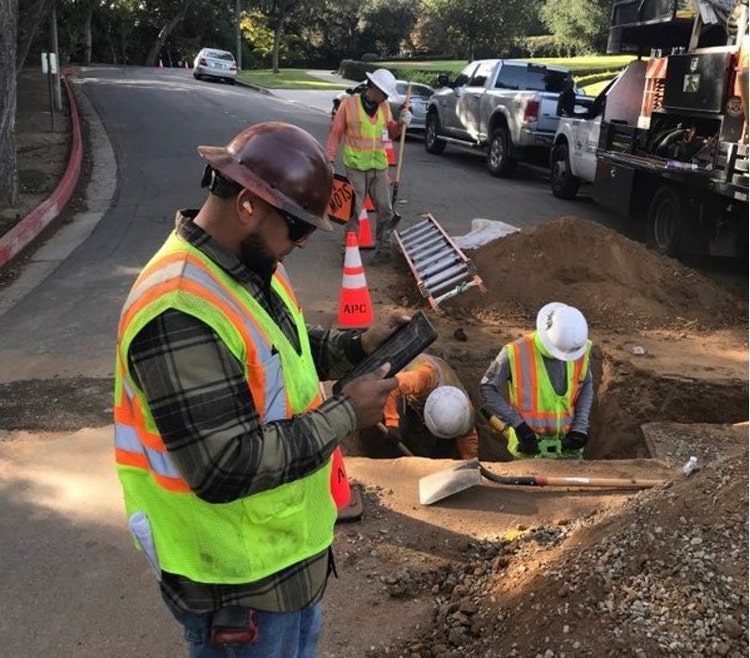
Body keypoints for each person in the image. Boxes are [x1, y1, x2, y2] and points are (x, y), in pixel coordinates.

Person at [113, 121, 410, 658]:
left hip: (288, 561)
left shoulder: (252, 263)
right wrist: (346, 414)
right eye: (296, 229)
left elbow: (285, 352)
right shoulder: (178, 310)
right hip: (237, 587)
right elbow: (223, 466)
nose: (299, 244)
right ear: (249, 205)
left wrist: (359, 344)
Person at [479, 302, 594, 459]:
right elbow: (487, 388)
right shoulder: (515, 352)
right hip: (529, 448)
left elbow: (586, 384)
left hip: (568, 448)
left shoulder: (578, 349)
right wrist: (519, 427)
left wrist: (580, 427)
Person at [326, 68, 413, 264]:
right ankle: (348, 252)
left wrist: (400, 123)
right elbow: (335, 133)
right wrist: (329, 160)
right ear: (373, 87)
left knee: (385, 209)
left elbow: (390, 133)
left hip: (379, 166)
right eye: (384, 93)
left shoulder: (384, 108)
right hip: (356, 167)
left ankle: (384, 248)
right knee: (354, 211)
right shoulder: (348, 105)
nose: (385, 98)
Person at [379, 353, 479, 460]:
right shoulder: (424, 378)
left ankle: (439, 460)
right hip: (401, 380)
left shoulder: (464, 414)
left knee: (446, 443)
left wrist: (471, 462)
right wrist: (392, 422)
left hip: (426, 392)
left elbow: (468, 439)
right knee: (402, 429)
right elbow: (392, 387)